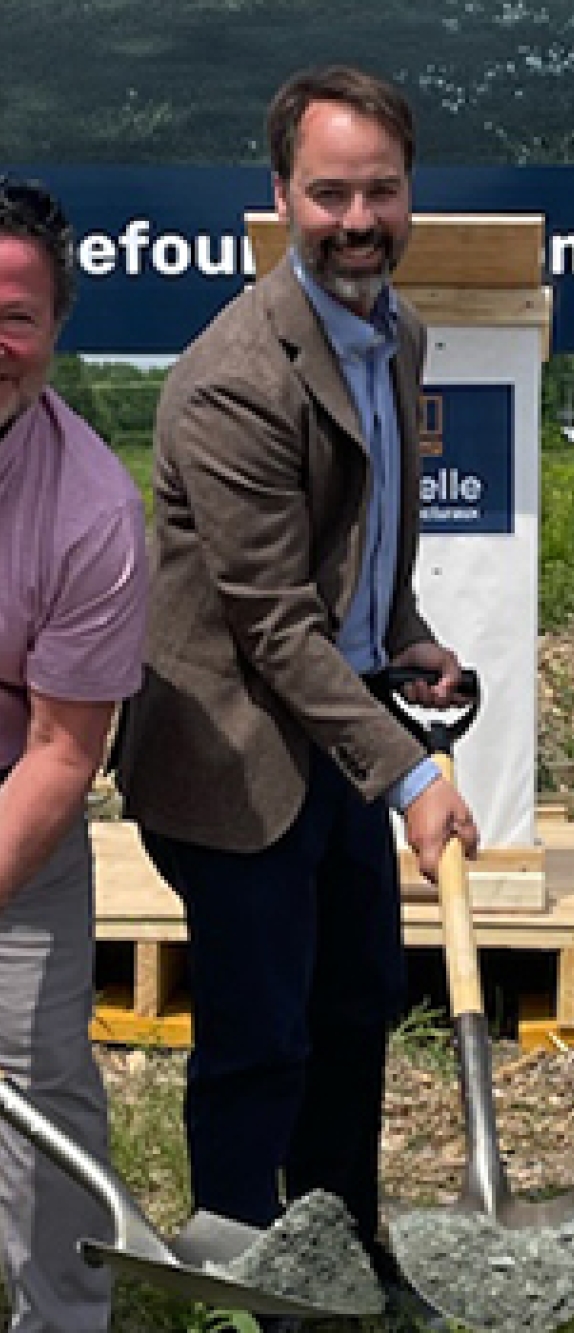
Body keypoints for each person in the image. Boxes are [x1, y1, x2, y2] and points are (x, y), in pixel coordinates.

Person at [113, 64, 480, 1286]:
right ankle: (240, 1278)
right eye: (330, 194)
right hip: (232, 754)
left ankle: (341, 1257)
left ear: (409, 191)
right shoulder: (237, 375)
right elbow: (271, 623)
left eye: (381, 190)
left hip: (332, 723)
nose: (357, 219)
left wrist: (403, 631)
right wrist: (414, 776)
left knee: (355, 1006)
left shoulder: (395, 332)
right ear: (280, 196)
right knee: (261, 1034)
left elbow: (350, 545)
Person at [0, 176, 148, 1332]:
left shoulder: (90, 509)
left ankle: (61, 1316)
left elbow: (61, 752)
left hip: (18, 810)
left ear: (55, 331)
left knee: (37, 1079)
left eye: (17, 316)